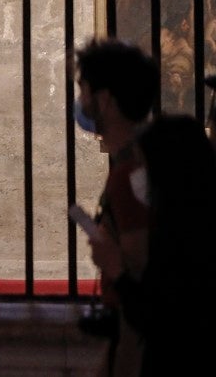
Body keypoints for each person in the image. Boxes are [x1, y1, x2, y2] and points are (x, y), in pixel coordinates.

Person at [88, 113, 216, 376]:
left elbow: (160, 319)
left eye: (144, 168)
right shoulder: (182, 222)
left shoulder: (187, 236)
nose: (138, 178)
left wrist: (117, 271)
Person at [75, 38, 157, 377]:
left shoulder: (129, 177)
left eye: (84, 90)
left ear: (104, 100)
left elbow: (142, 278)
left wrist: (111, 261)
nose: (80, 101)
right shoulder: (143, 162)